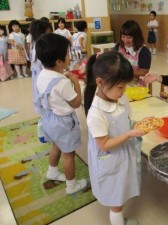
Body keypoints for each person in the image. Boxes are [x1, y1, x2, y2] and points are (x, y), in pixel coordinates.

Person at [84, 51, 146, 225]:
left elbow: (125, 119)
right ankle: (118, 221)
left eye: (125, 86)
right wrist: (128, 134)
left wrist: (135, 125)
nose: (123, 91)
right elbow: (103, 144)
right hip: (110, 159)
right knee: (116, 201)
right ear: (100, 83)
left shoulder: (120, 98)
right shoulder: (96, 114)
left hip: (122, 154)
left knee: (121, 190)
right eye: (120, 87)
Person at [35, 33, 87, 194]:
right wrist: (75, 83)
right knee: (69, 155)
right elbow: (76, 102)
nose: (69, 57)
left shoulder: (42, 74)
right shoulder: (63, 82)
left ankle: (52, 171)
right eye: (67, 54)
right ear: (59, 62)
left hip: (49, 118)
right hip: (64, 122)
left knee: (56, 145)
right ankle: (72, 186)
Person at [113, 20, 151, 86]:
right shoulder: (119, 46)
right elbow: (112, 60)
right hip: (119, 83)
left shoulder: (143, 51)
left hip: (136, 86)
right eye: (123, 37)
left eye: (129, 37)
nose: (126, 40)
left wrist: (125, 72)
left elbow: (144, 72)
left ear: (136, 37)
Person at [30, 19, 52, 114]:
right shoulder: (40, 45)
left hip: (39, 75)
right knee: (45, 99)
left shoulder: (35, 43)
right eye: (48, 33)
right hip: (42, 76)